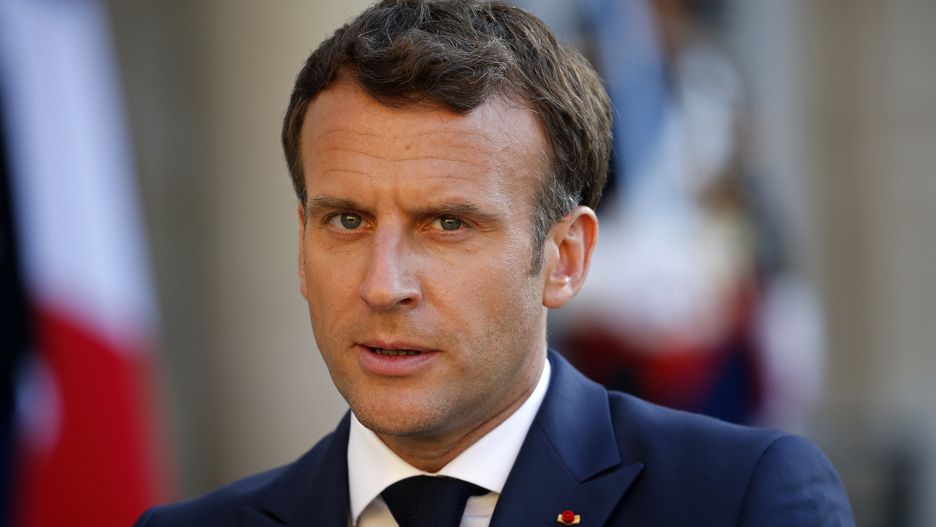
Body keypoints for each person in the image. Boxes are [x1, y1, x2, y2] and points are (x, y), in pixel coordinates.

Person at [134, 0, 854, 525]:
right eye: (347, 221)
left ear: (565, 258)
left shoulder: (741, 501)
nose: (383, 284)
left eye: (448, 224)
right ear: (301, 245)